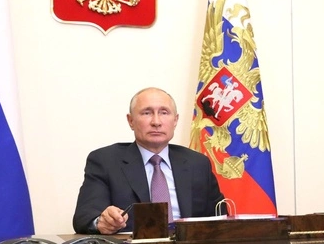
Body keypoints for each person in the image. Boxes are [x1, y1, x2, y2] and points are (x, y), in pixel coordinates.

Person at [73, 87, 225, 234]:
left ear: (175, 120)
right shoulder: (106, 161)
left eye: (164, 113)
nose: (156, 122)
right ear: (131, 121)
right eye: (147, 113)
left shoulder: (197, 163)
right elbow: (84, 217)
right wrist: (101, 222)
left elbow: (221, 219)